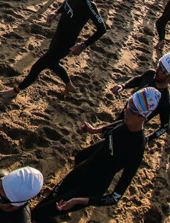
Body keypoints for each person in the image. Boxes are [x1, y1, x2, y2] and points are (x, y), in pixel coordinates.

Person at [31, 88, 162, 221]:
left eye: (132, 110)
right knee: (43, 205)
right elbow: (111, 131)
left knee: (39, 214)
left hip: (90, 188)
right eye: (128, 104)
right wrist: (93, 131)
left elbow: (115, 197)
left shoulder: (137, 148)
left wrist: (81, 201)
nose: (125, 111)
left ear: (143, 117)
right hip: (83, 170)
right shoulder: (126, 122)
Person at [0, 0, 106, 97]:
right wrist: (55, 12)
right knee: (53, 63)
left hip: (66, 44)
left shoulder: (89, 4)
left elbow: (102, 29)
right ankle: (69, 85)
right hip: (57, 37)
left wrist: (83, 46)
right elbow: (67, 3)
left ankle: (15, 91)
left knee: (37, 67)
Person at [109, 51, 170, 143]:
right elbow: (139, 79)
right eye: (159, 65)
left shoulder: (164, 101)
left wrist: (147, 139)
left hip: (131, 130)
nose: (157, 70)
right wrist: (123, 86)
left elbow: (164, 126)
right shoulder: (150, 74)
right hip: (124, 115)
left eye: (162, 70)